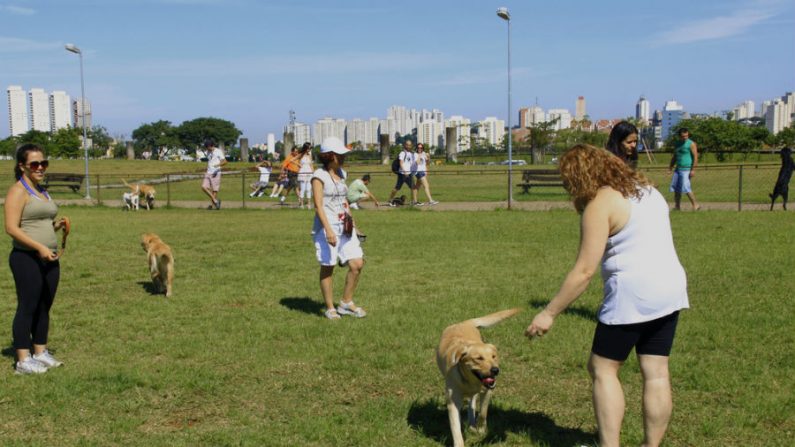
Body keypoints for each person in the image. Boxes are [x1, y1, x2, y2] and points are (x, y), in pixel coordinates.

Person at [525, 144, 689, 447]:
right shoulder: (648, 190)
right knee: (655, 372)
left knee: (602, 368)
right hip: (670, 289)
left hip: (633, 296)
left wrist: (548, 313)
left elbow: (584, 271)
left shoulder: (600, 205)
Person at [4, 144, 68, 374]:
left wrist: (56, 226)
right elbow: (11, 228)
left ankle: (40, 352)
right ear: (22, 166)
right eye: (35, 164)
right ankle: (23, 359)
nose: (40, 167)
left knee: (44, 306)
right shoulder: (17, 191)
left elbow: (38, 223)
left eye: (43, 163)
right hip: (26, 257)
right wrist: (39, 247)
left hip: (48, 257)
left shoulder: (41, 190)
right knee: (27, 306)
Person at [311, 136, 366, 320]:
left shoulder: (342, 174)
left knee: (357, 263)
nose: (344, 157)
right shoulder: (318, 176)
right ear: (331, 156)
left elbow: (344, 201)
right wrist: (328, 230)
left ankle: (345, 302)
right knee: (328, 265)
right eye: (341, 154)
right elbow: (318, 205)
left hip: (345, 225)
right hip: (327, 225)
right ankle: (329, 307)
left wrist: (354, 225)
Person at [668, 128, 700, 211]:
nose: (685, 137)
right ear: (679, 136)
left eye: (687, 135)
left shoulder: (691, 144)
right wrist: (670, 167)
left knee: (686, 187)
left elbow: (695, 157)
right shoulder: (677, 144)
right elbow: (675, 156)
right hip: (678, 169)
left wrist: (693, 170)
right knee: (676, 188)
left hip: (687, 169)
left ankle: (695, 205)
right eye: (683, 136)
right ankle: (677, 206)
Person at [387, 140, 419, 206]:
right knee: (397, 188)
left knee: (414, 187)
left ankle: (415, 201)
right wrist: (404, 171)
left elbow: (412, 163)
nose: (408, 146)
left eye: (410, 145)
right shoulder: (402, 153)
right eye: (407, 145)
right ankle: (390, 200)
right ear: (405, 145)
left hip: (409, 173)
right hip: (402, 174)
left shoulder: (412, 154)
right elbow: (401, 163)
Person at [201, 140, 227, 210]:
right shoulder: (208, 152)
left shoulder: (218, 151)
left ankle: (212, 205)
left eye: (207, 147)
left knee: (214, 190)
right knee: (203, 187)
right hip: (208, 172)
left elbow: (225, 162)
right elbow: (210, 161)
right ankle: (216, 201)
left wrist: (217, 165)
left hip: (216, 173)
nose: (206, 148)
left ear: (210, 146)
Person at [297, 143, 315, 209]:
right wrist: (299, 165)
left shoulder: (310, 155)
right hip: (303, 173)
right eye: (309, 148)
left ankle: (309, 204)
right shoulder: (301, 155)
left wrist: (314, 173)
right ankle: (301, 204)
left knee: (308, 189)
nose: (309, 150)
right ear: (305, 148)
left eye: (310, 148)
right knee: (303, 189)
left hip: (309, 172)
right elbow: (292, 160)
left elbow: (311, 165)